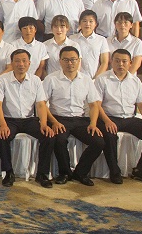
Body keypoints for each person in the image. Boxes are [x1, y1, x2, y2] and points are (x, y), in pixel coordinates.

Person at [95, 49, 142, 185]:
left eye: (124, 61)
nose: (120, 64)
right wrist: (107, 121)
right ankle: (114, 172)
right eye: (117, 61)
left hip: (129, 119)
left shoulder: (135, 81)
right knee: (109, 135)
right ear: (111, 62)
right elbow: (97, 105)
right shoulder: (102, 79)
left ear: (130, 63)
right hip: (109, 117)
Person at [0, 49, 55, 188]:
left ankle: (42, 174)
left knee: (48, 136)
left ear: (29, 63)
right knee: (1, 137)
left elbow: (41, 104)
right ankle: (8, 172)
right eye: (17, 61)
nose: (21, 64)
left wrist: (44, 124)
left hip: (29, 120)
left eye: (24, 61)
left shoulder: (36, 80)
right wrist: (2, 124)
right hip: (9, 119)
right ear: (12, 63)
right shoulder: (3, 80)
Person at [43, 46, 103, 186]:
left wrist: (93, 124)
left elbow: (94, 105)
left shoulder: (86, 80)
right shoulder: (51, 79)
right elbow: (42, 104)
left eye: (73, 60)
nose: (70, 63)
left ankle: (80, 172)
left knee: (98, 142)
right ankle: (65, 173)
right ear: (60, 61)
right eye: (66, 60)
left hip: (80, 119)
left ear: (79, 61)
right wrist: (53, 121)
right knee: (59, 140)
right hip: (58, 118)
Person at [71, 10, 110, 79]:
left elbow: (104, 62)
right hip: (76, 78)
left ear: (95, 24)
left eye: (91, 21)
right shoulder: (72, 39)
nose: (87, 24)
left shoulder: (101, 40)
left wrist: (96, 79)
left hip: (95, 78)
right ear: (80, 23)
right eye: (84, 21)